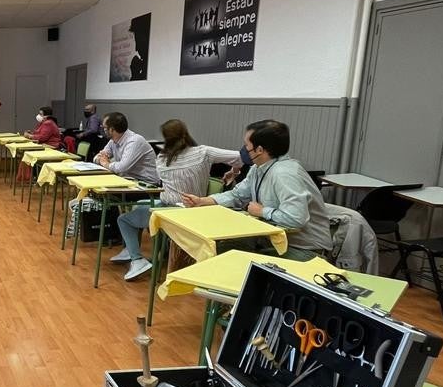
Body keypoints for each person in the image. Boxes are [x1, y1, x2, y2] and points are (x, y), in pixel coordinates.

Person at [181, 120, 333, 260]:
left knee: (230, 259)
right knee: (220, 250)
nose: (244, 149)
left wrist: (262, 211)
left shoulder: (285, 174)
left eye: (246, 145)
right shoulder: (258, 168)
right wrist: (202, 201)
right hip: (274, 240)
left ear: (259, 149)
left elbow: (296, 218)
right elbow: (237, 195)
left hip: (305, 249)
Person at [110, 119, 242, 281]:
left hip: (171, 213)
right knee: (140, 206)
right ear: (186, 133)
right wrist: (234, 172)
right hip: (197, 209)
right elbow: (239, 157)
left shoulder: (162, 159)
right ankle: (143, 252)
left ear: (166, 138)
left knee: (124, 219)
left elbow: (161, 182)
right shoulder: (204, 152)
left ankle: (137, 259)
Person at [66, 112, 159, 237]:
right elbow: (96, 158)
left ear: (112, 129)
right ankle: (111, 233)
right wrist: (104, 161)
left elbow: (121, 167)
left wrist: (106, 163)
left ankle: (113, 233)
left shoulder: (134, 141)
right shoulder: (113, 140)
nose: (102, 129)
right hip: (128, 181)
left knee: (105, 196)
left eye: (104, 128)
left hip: (146, 186)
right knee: (97, 193)